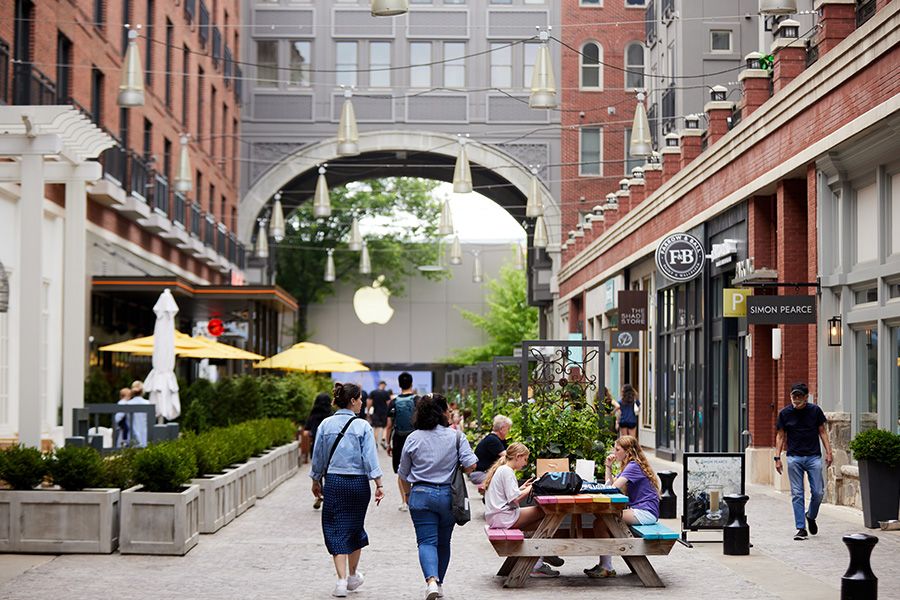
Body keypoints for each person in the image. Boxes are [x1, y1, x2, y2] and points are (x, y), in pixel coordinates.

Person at [398, 394, 477, 600]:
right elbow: (471, 465)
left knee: (426, 542)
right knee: (444, 542)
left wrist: (408, 495)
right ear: (442, 412)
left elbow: (403, 473)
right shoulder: (456, 436)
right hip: (448, 496)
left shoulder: (413, 438)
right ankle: (439, 583)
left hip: (421, 495)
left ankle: (431, 581)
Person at [309, 382, 384, 598]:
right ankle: (352, 575)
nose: (362, 402)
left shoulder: (326, 424)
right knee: (354, 527)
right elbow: (370, 458)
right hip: (358, 484)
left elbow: (319, 456)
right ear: (352, 400)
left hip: (334, 482)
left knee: (335, 528)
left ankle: (341, 581)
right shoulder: (362, 427)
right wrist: (378, 483)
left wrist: (316, 480)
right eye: (360, 398)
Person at [482, 443, 564, 578]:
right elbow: (514, 499)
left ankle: (540, 558)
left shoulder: (502, 470)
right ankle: (543, 556)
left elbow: (508, 495)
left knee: (544, 525)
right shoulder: (507, 471)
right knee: (546, 512)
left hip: (497, 517)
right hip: (503, 517)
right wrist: (533, 486)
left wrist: (521, 488)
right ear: (518, 456)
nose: (525, 464)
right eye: (525, 459)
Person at [584, 435, 660, 578]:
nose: (614, 452)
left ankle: (606, 566)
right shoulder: (630, 465)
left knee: (602, 522)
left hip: (645, 512)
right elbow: (611, 486)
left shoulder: (633, 466)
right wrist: (608, 466)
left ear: (628, 451)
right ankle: (605, 565)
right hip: (640, 510)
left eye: (617, 449)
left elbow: (613, 489)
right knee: (601, 521)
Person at [774, 382, 833, 541]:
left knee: (818, 492)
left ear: (806, 397)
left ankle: (811, 516)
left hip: (814, 457)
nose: (797, 399)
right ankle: (800, 528)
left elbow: (822, 432)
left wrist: (829, 451)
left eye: (800, 396)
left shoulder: (815, 411)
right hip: (794, 458)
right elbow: (780, 436)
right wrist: (777, 457)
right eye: (794, 396)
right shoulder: (784, 413)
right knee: (797, 494)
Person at [385, 372, 419, 511]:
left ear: (399, 385)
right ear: (412, 383)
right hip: (416, 437)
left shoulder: (393, 402)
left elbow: (388, 425)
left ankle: (405, 501)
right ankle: (415, 499)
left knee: (401, 470)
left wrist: (388, 443)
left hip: (399, 439)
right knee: (416, 467)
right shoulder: (418, 400)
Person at [305, 392, 334, 510]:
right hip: (330, 448)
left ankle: (318, 494)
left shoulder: (313, 416)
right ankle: (329, 495)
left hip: (316, 447)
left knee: (318, 471)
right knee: (328, 472)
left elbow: (307, 432)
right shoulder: (331, 416)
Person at [469, 415, 512, 485]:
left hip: (486, 473)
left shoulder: (499, 440)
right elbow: (508, 456)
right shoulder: (492, 440)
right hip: (481, 474)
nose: (509, 431)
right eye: (508, 429)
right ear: (501, 429)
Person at [114, 381, 152, 448]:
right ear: (143, 391)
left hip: (131, 437)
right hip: (145, 437)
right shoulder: (148, 403)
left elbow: (117, 418)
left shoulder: (127, 404)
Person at [367, 381, 391, 449]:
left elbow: (369, 402)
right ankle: (383, 439)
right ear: (383, 385)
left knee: (376, 428)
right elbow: (388, 403)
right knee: (385, 427)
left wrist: (368, 411)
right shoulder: (386, 393)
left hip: (376, 412)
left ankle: (375, 442)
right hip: (384, 412)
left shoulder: (373, 392)